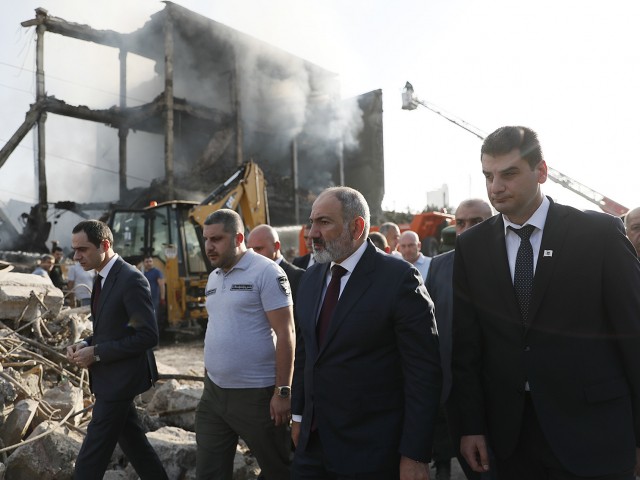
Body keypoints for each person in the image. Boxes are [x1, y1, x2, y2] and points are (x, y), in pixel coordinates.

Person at [451, 126, 640, 479]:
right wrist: (471, 426)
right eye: (488, 176)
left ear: (541, 172)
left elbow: (633, 335)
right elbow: (467, 347)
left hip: (594, 433)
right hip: (511, 438)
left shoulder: (598, 234)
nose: (495, 187)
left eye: (508, 174)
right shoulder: (471, 246)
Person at [291, 186, 442, 480]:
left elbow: (423, 373)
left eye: (324, 222)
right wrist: (298, 416)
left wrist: (415, 453)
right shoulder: (310, 279)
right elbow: (306, 354)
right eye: (312, 222)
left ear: (357, 227)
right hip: (311, 447)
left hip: (372, 451)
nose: (312, 233)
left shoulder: (398, 279)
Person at [196, 209, 295, 480]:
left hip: (256, 395)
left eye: (217, 239)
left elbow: (286, 333)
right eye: (206, 239)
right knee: (209, 472)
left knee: (279, 470)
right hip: (214, 394)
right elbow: (218, 326)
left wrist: (282, 392)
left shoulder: (267, 272)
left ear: (239, 238)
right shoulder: (214, 277)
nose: (209, 246)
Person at [66, 220, 167, 480]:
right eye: (74, 250)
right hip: (111, 378)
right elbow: (113, 329)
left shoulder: (131, 279)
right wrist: (86, 343)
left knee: (91, 456)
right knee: (135, 444)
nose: (76, 257)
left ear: (105, 245)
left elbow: (147, 335)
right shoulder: (102, 277)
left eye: (83, 249)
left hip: (120, 381)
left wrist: (97, 352)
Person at [425, 199, 493, 480]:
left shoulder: (511, 261)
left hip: (501, 392)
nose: (467, 229)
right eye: (461, 223)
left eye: (477, 222)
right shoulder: (439, 266)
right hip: (454, 391)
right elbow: (429, 326)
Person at [247, 223, 305, 306]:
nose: (253, 254)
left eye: (258, 249)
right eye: (250, 250)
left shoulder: (298, 276)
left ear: (276, 246)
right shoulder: (248, 276)